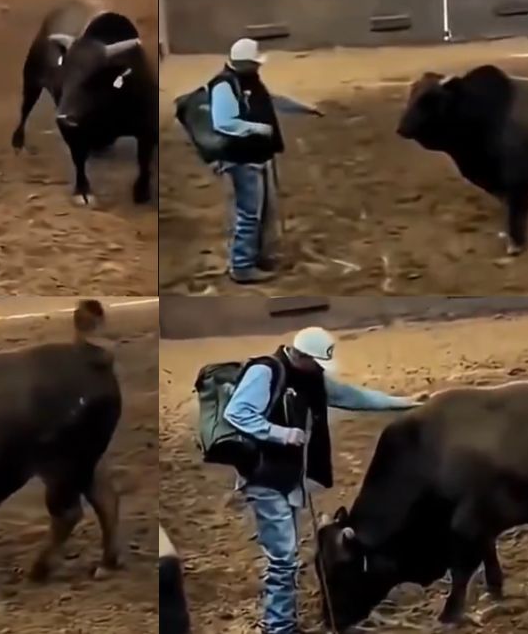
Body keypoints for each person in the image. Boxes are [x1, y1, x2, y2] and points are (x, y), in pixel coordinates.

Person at [223, 326, 421, 634]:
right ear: (299, 354)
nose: (319, 369)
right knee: (284, 557)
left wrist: (403, 401)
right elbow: (237, 413)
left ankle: (282, 624)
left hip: (289, 479)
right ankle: (278, 628)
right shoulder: (265, 372)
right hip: (265, 477)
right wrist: (282, 433)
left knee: (285, 556)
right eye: (316, 362)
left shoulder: (309, 376)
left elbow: (350, 396)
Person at [208, 38, 322, 285]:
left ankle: (255, 256)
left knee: (261, 211)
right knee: (249, 213)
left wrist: (303, 108)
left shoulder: (246, 80)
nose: (260, 67)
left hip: (258, 157)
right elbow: (223, 122)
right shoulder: (224, 86)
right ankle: (242, 265)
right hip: (241, 159)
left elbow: (273, 100)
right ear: (247, 63)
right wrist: (259, 129)